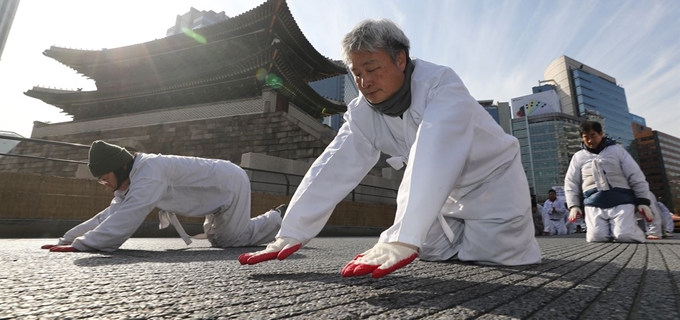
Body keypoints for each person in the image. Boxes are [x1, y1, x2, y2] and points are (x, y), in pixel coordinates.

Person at [238, 18, 542, 278]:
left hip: (492, 185)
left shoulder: (441, 86)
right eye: (356, 73)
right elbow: (332, 166)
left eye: (371, 69)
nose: (364, 82)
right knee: (431, 251)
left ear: (400, 59)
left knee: (498, 258)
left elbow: (434, 150)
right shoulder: (362, 113)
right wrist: (291, 231)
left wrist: (401, 238)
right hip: (441, 198)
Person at [41, 140, 285, 252]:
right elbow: (109, 215)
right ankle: (272, 219)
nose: (104, 184)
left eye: (105, 178)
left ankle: (277, 218)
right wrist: (68, 239)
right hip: (212, 191)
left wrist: (84, 245)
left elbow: (128, 216)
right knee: (221, 240)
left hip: (231, 182)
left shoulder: (149, 174)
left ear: (119, 168)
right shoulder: (135, 176)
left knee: (230, 241)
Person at [565, 121, 654, 243]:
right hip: (593, 202)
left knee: (625, 235)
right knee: (596, 237)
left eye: (593, 135)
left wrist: (642, 201)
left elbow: (635, 176)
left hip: (621, 200)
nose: (590, 140)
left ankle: (631, 230)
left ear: (601, 134)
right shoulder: (578, 157)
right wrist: (573, 205)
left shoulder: (617, 151)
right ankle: (612, 231)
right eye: (586, 137)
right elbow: (571, 182)